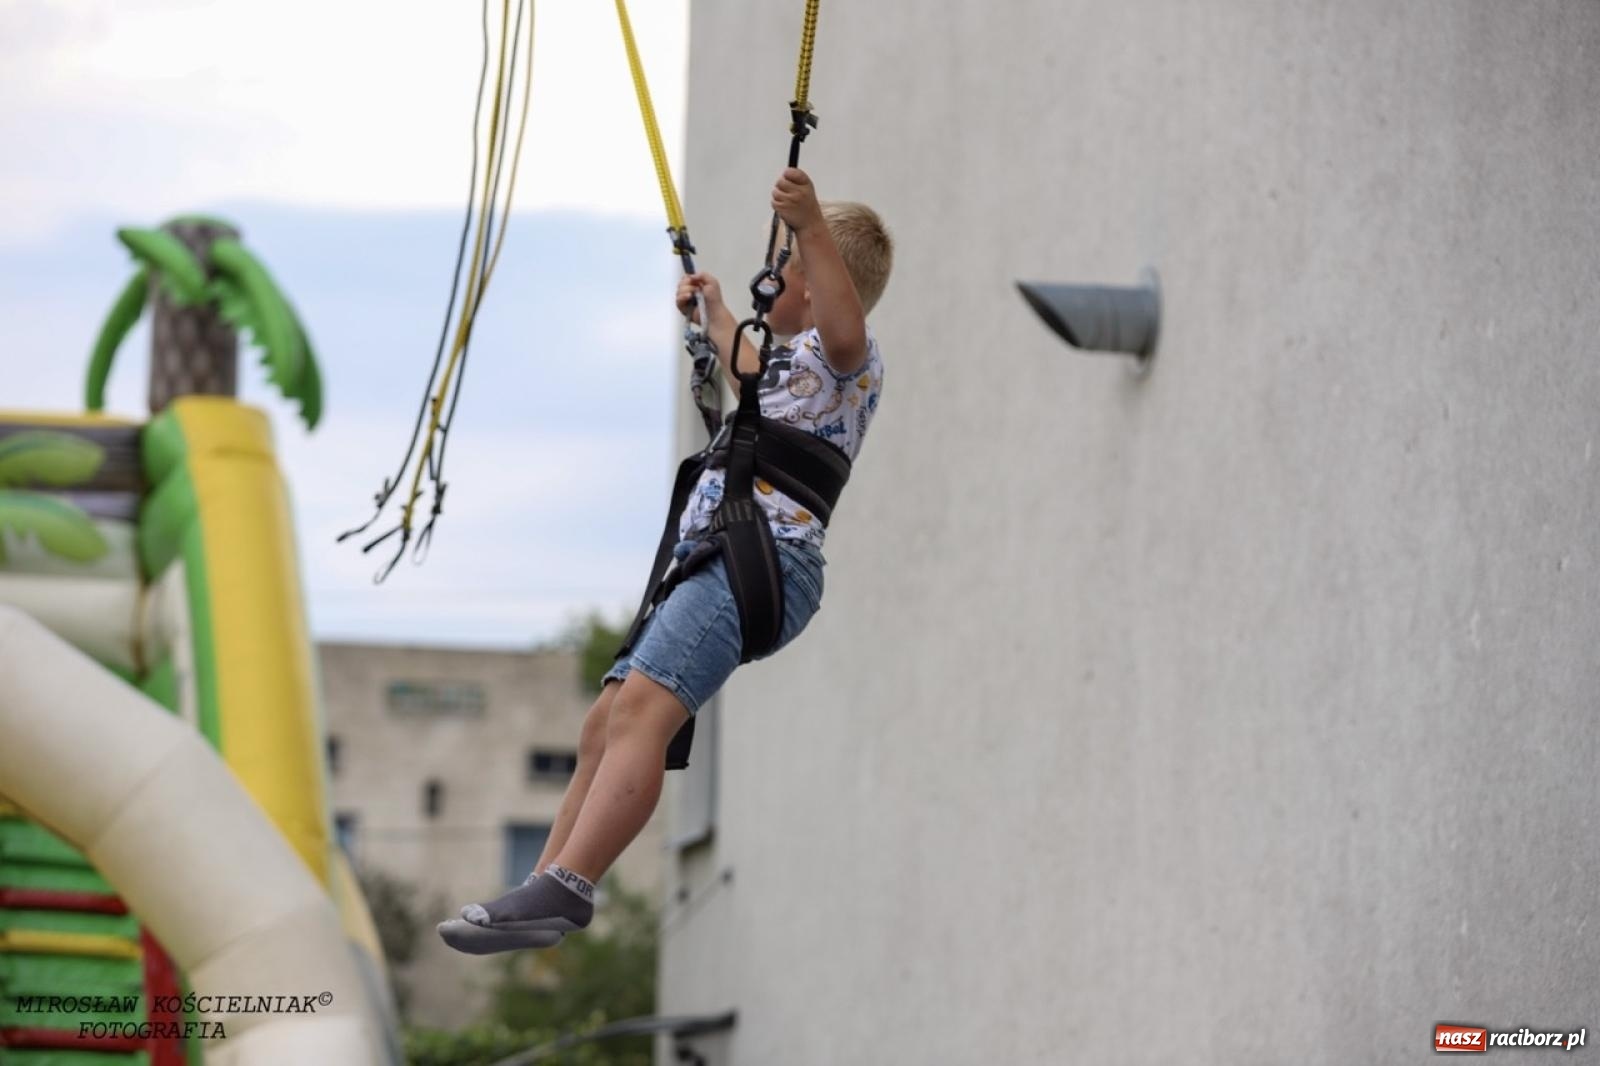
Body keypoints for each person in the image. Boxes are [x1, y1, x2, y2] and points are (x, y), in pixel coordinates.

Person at [439, 167, 892, 954]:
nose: (766, 277)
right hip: (718, 556)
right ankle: (543, 885)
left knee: (646, 709)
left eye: (776, 265)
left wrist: (811, 226)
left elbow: (844, 325)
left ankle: (570, 887)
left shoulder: (847, 357)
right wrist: (715, 312)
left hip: (765, 559)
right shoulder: (790, 363)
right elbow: (746, 368)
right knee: (605, 722)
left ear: (817, 284)